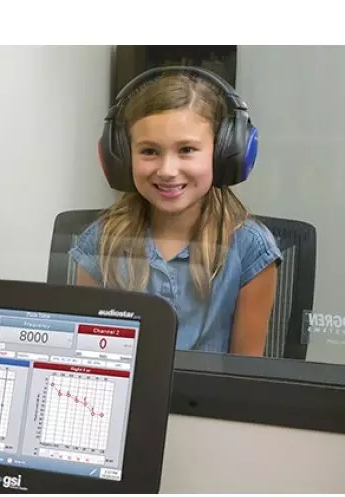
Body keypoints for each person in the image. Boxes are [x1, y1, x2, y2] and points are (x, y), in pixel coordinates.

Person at [69, 66, 282, 356]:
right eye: (149, 151)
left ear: (224, 153)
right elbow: (87, 359)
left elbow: (245, 373)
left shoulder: (250, 249)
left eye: (187, 150)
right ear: (121, 157)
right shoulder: (100, 242)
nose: (167, 170)